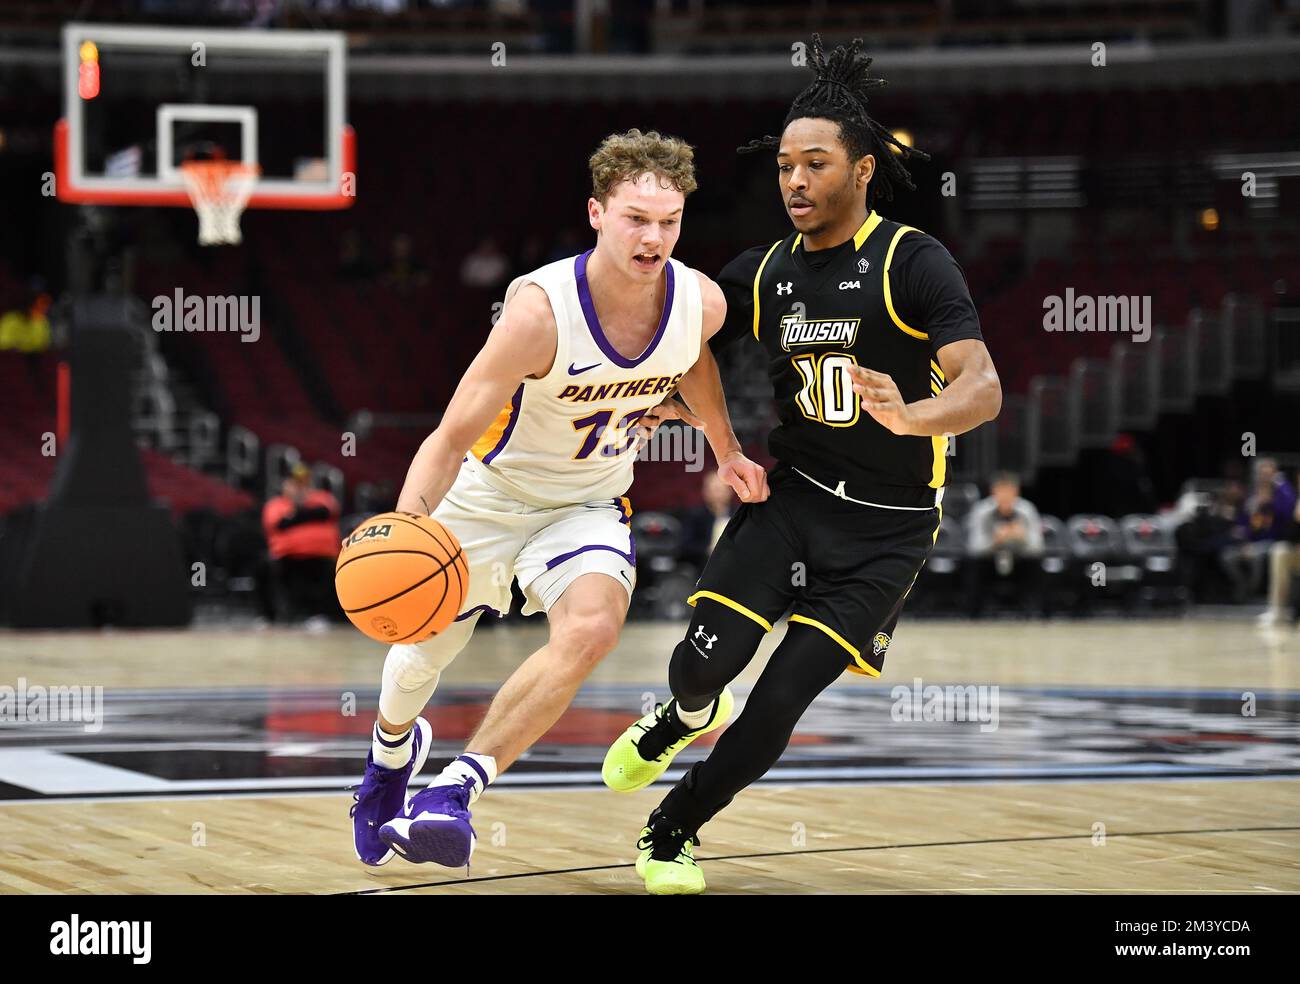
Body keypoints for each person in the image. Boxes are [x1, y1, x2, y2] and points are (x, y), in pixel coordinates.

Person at [601, 36, 1001, 894]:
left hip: (888, 533)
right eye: (784, 165)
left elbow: (984, 387)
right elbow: (687, 339)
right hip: (793, 500)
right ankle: (683, 713)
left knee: (781, 701)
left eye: (814, 164)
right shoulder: (766, 271)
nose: (793, 181)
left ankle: (672, 830)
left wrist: (912, 412)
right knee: (705, 664)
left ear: (862, 170)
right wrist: (681, 407)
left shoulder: (914, 261)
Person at [349, 129, 769, 869]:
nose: (654, 237)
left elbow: (693, 362)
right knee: (420, 656)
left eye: (669, 221)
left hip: (588, 504)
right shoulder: (539, 313)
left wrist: (724, 445)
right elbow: (449, 437)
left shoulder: (698, 301)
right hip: (487, 495)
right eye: (636, 218)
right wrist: (410, 524)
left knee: (593, 629)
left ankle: (451, 794)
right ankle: (388, 757)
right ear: (596, 214)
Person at [261, 463, 341, 624]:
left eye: (304, 483)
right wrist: (305, 514)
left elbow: (326, 512)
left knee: (332, 571)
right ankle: (275, 617)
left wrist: (297, 515)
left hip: (321, 555)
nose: (299, 487)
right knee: (264, 567)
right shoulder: (276, 504)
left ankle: (322, 616)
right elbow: (279, 523)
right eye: (295, 483)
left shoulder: (322, 497)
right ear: (285, 484)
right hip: (288, 556)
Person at [964, 471, 1044, 617]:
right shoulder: (982, 511)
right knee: (973, 565)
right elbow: (974, 547)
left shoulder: (1027, 510)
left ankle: (1034, 611)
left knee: (1035, 564)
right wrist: (995, 540)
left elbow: (1038, 547)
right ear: (993, 492)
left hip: (1020, 559)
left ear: (1016, 492)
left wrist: (1021, 537)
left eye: (1009, 491)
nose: (1005, 496)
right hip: (989, 559)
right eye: (1001, 491)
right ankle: (974, 612)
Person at [1221, 458, 1296, 603]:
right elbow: (1244, 521)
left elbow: (1287, 515)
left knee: (1256, 558)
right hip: (1250, 542)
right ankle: (1242, 585)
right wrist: (1244, 539)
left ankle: (1252, 593)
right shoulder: (1252, 494)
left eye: (1269, 473)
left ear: (1275, 474)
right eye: (1262, 474)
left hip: (1272, 540)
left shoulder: (1282, 492)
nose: (1265, 477)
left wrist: (1270, 503)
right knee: (1227, 556)